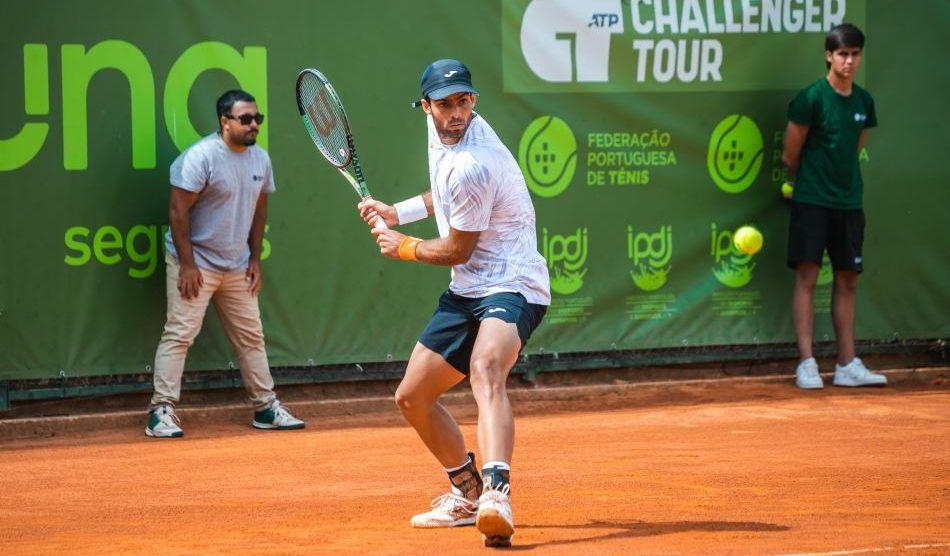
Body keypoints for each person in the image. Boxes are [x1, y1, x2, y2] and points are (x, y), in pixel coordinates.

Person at [357, 59, 550, 547]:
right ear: (426, 106)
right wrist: (397, 211)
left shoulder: (473, 161)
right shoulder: (442, 135)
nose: (457, 112)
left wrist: (403, 245)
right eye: (445, 104)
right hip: (467, 289)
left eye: (464, 101)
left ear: (473, 100)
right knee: (412, 397)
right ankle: (468, 492)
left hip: (514, 282)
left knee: (486, 368)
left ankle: (497, 495)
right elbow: (444, 193)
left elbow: (457, 249)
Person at [145, 89, 305, 437]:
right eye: (245, 119)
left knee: (252, 338)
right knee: (179, 334)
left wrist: (255, 260)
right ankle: (161, 410)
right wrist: (188, 264)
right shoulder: (200, 158)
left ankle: (265, 408)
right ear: (224, 121)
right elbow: (177, 211)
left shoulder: (260, 160)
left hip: (236, 266)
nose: (253, 125)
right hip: (196, 263)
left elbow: (260, 212)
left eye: (257, 118)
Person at [782, 24, 886, 390]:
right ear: (829, 56)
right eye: (842, 54)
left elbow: (854, 149)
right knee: (807, 278)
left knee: (848, 280)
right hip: (812, 202)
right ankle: (807, 363)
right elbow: (790, 155)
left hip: (849, 203)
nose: (849, 61)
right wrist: (812, 182)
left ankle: (846, 365)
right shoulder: (810, 98)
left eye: (855, 54)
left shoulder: (864, 102)